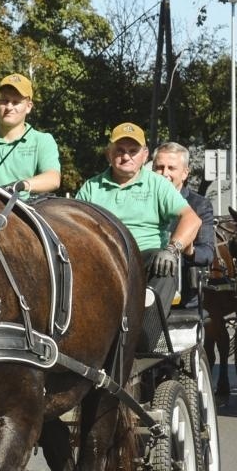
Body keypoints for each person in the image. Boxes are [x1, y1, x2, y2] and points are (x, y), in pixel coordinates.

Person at [76, 122, 201, 333]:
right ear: (109, 154)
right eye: (120, 151)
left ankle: (147, 333)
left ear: (144, 155)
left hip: (146, 260)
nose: (126, 157)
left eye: (133, 151)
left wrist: (172, 249)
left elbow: (192, 219)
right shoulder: (91, 187)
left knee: (164, 265)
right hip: (102, 260)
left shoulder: (158, 184)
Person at [151, 141, 216, 272]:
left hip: (182, 283)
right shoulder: (142, 199)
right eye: (159, 167)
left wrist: (189, 250)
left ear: (185, 173)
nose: (164, 173)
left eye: (171, 168)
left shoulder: (199, 205)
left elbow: (207, 254)